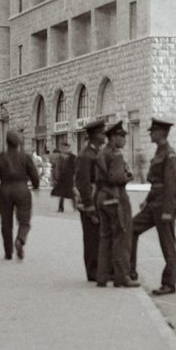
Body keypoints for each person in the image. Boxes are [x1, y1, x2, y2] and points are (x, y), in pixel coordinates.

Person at [130, 118, 176, 296]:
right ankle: (130, 272)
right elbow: (156, 184)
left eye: (153, 131)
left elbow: (171, 185)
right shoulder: (159, 152)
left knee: (167, 245)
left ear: (161, 133)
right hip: (153, 204)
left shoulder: (169, 155)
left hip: (163, 208)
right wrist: (147, 200)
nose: (150, 133)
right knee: (131, 229)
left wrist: (168, 211)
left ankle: (169, 284)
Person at [95, 122, 138, 287]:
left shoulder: (101, 153)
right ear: (113, 137)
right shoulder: (116, 155)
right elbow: (116, 178)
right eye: (122, 137)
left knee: (105, 237)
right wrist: (127, 177)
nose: (125, 140)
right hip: (116, 197)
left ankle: (102, 276)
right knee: (122, 237)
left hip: (102, 196)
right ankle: (122, 276)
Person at [0, 130, 40, 261]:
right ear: (18, 143)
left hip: (5, 190)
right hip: (22, 189)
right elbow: (35, 176)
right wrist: (35, 186)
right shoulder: (25, 157)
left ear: (6, 142)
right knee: (24, 220)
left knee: (6, 223)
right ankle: (20, 239)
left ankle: (8, 252)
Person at [74, 120, 105, 280]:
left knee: (98, 235)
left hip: (98, 198)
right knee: (91, 237)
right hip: (90, 200)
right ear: (94, 136)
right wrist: (89, 205)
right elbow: (83, 182)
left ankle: (98, 268)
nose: (104, 135)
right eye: (101, 133)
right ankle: (93, 272)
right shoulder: (86, 155)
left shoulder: (96, 152)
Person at [51, 141, 75, 212]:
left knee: (72, 193)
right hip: (61, 178)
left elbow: (75, 167)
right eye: (62, 148)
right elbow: (57, 167)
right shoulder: (60, 157)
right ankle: (60, 208)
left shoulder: (73, 157)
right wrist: (55, 178)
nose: (64, 149)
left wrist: (74, 176)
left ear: (68, 148)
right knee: (61, 193)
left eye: (65, 148)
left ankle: (75, 206)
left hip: (70, 177)